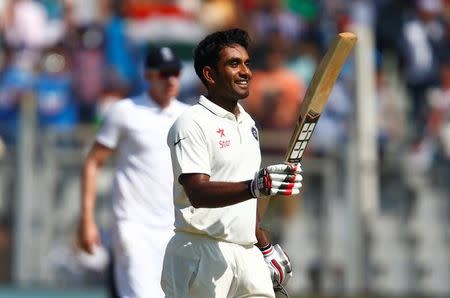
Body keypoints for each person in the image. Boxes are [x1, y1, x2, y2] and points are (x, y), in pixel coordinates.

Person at [161, 28, 303, 297]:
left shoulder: (248, 123)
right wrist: (255, 186)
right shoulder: (191, 122)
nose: (246, 72)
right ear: (210, 75)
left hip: (246, 254)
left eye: (247, 63)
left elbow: (246, 203)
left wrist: (264, 246)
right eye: (234, 64)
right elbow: (197, 192)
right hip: (200, 251)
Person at [77, 46, 189, 298]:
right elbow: (93, 161)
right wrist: (86, 220)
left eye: (175, 73)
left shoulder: (188, 116)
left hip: (175, 228)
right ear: (149, 76)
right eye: (164, 73)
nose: (171, 79)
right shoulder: (125, 112)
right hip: (133, 225)